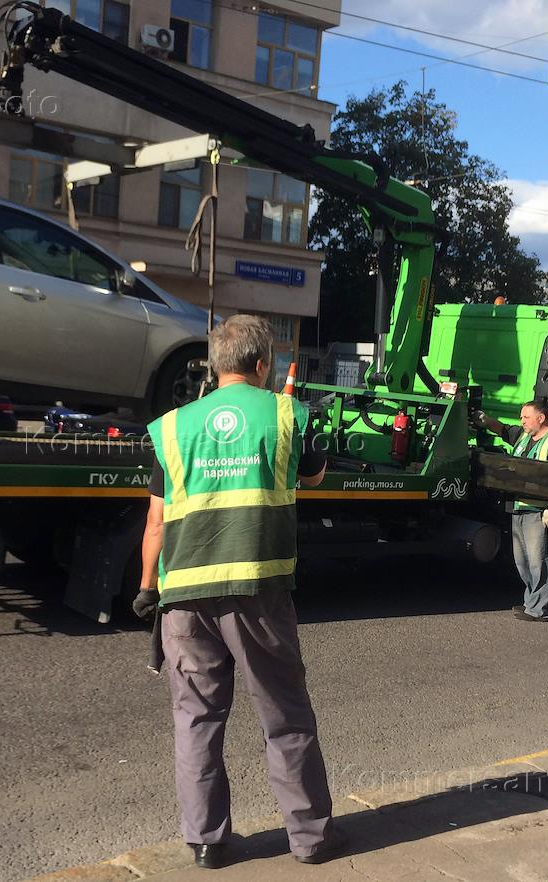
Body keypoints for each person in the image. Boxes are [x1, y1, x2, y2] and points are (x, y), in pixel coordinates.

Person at [133, 314, 346, 870]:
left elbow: (155, 523)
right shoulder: (284, 413)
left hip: (183, 596)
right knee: (285, 715)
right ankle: (309, 839)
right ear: (262, 364)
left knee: (197, 719)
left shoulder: (174, 427)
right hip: (257, 590)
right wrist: (290, 405)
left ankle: (206, 840)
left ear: (215, 365)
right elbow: (314, 478)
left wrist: (146, 588)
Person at [474, 401, 548, 621]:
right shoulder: (524, 436)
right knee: (522, 560)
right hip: (518, 506)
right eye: (521, 417)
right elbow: (503, 430)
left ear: (541, 418)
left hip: (538, 510)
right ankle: (530, 603)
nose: (522, 421)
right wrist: (486, 421)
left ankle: (539, 609)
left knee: (538, 559)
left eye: (526, 417)